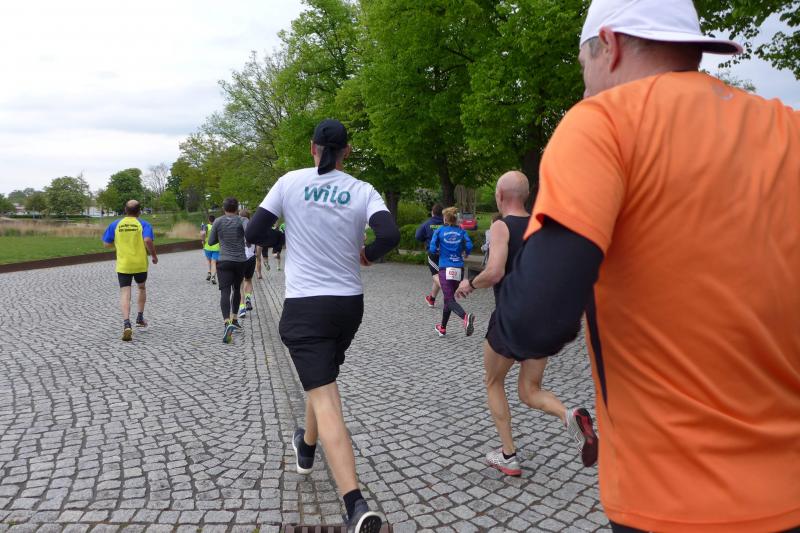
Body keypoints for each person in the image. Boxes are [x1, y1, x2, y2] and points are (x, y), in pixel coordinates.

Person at [495, 0, 800, 531]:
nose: (585, 86)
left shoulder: (602, 122)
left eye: (584, 66)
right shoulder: (787, 127)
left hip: (670, 499)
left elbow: (534, 320)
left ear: (609, 45)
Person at [246, 119, 399, 533]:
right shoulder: (362, 189)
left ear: (312, 148)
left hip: (306, 306)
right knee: (322, 381)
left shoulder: (289, 183)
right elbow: (389, 234)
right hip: (347, 305)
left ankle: (355, 505)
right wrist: (368, 254)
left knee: (326, 396)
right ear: (346, 151)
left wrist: (281, 241)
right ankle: (307, 445)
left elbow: (255, 230)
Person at [456, 172, 597, 476]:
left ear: (499, 195)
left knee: (493, 382)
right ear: (527, 195)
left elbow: (495, 271)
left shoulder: (501, 226)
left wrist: (469, 283)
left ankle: (508, 455)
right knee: (530, 390)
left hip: (510, 318)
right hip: (541, 319)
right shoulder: (543, 227)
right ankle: (569, 414)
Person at [102, 200, 158, 341]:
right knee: (141, 288)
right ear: (139, 211)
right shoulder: (144, 224)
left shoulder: (115, 224)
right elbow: (147, 240)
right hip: (140, 264)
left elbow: (106, 244)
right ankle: (140, 318)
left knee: (125, 292)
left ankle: (127, 324)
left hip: (124, 264)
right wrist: (154, 255)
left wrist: (119, 243)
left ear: (125, 210)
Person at [208, 197, 248, 344]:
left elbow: (211, 241)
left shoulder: (218, 221)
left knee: (225, 292)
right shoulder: (243, 220)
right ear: (237, 208)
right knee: (237, 289)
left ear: (223, 208)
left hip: (224, 260)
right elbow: (249, 235)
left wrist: (222, 236)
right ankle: (235, 319)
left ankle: (227, 322)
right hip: (240, 261)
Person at [429, 207, 474, 337]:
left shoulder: (439, 231)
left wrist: (437, 251)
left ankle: (465, 317)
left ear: (445, 218)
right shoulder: (461, 231)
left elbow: (432, 248)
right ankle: (442, 328)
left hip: (445, 267)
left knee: (449, 299)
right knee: (448, 298)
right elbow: (469, 245)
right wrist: (466, 253)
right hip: (459, 268)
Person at [415, 203, 444, 307]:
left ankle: (448, 291)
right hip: (446, 253)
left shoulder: (427, 223)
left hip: (434, 253)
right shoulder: (446, 224)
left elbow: (418, 236)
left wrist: (426, 240)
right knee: (439, 275)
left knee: (436, 275)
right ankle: (431, 299)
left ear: (432, 212)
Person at [238, 209, 256, 317]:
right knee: (248, 280)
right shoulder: (254, 228)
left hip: (240, 258)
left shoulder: (236, 228)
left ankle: (242, 308)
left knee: (239, 284)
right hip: (251, 257)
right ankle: (248, 298)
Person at [200, 215, 219, 284]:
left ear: (209, 220)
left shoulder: (206, 226)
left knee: (208, 260)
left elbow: (203, 234)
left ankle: (209, 272)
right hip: (216, 247)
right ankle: (213, 276)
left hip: (207, 247)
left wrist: (203, 240)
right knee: (214, 262)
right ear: (215, 220)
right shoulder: (217, 226)